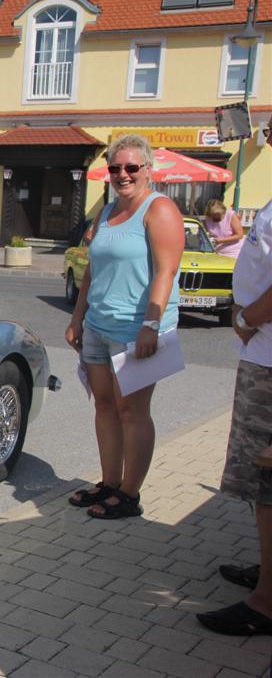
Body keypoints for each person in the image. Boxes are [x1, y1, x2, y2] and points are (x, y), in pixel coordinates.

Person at [65, 133, 184, 519]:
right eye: (115, 168)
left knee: (132, 411)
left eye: (131, 167)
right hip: (98, 324)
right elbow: (92, 270)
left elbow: (166, 271)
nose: (123, 174)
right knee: (104, 405)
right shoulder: (106, 211)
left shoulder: (158, 209)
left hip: (137, 329)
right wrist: (77, 317)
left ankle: (130, 494)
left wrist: (151, 323)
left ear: (148, 169)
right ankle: (110, 482)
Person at [196, 193, 272, 636]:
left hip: (267, 354)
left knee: (266, 481)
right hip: (262, 352)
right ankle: (268, 573)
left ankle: (266, 602)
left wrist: (248, 319)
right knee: (260, 482)